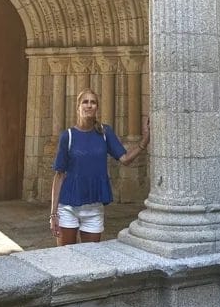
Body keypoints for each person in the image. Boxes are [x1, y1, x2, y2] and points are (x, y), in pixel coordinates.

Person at [49, 88, 150, 245]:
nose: (89, 105)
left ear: (97, 107)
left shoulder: (104, 132)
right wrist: (53, 214)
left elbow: (125, 159)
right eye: (85, 102)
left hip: (94, 209)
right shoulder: (67, 136)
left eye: (93, 102)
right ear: (78, 107)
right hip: (68, 207)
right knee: (64, 258)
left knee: (92, 259)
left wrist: (145, 140)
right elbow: (59, 175)